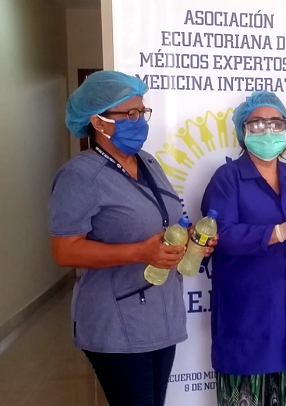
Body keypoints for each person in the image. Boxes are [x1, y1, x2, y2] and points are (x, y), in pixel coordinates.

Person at [48, 71, 216, 406]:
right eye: (130, 114)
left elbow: (163, 222)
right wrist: (140, 252)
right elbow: (65, 251)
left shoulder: (148, 163)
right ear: (98, 122)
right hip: (115, 321)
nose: (140, 121)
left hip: (160, 316)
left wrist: (190, 237)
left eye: (142, 112)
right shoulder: (79, 176)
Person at [201, 91, 286, 406]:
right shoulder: (227, 179)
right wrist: (280, 231)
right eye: (257, 124)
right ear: (243, 131)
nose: (268, 130)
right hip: (248, 319)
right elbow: (222, 236)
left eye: (276, 123)